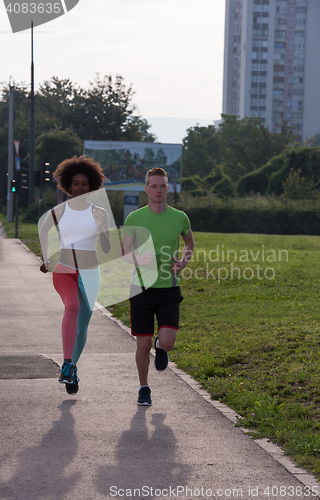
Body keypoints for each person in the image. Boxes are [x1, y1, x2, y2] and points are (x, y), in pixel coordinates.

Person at [121, 167, 195, 406]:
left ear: (168, 189)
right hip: (141, 288)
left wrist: (183, 261)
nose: (158, 190)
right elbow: (123, 252)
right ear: (146, 189)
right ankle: (144, 387)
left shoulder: (179, 217)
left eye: (162, 186)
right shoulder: (135, 218)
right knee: (142, 343)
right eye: (153, 186)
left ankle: (160, 346)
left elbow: (189, 243)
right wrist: (136, 259)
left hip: (169, 288)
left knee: (168, 341)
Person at [39, 156, 110, 394]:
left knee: (82, 329)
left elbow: (108, 248)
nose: (80, 187)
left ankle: (72, 367)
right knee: (72, 306)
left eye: (85, 184)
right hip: (65, 270)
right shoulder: (59, 211)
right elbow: (43, 229)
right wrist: (45, 257)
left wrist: (101, 228)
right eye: (76, 183)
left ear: (92, 187)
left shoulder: (99, 212)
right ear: (68, 185)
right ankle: (66, 363)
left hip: (90, 272)